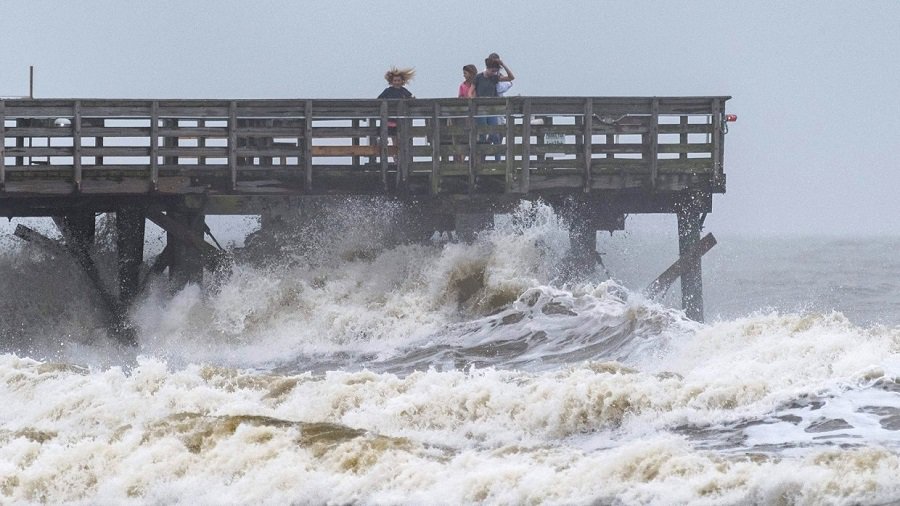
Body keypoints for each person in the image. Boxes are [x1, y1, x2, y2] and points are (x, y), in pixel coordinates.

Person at [469, 57, 515, 147]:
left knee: (495, 134)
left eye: (495, 71)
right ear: (488, 68)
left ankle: (498, 160)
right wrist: (473, 100)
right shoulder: (478, 77)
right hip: (480, 109)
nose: (494, 73)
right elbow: (470, 91)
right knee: (482, 133)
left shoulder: (494, 78)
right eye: (492, 71)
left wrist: (503, 64)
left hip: (492, 110)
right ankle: (482, 158)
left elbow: (511, 77)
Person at [377, 67, 415, 159]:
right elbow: (378, 100)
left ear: (402, 81)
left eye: (398, 80)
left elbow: (411, 99)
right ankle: (392, 154)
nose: (397, 82)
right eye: (395, 80)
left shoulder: (404, 91)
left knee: (399, 140)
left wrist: (413, 100)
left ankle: (397, 157)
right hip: (389, 119)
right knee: (391, 137)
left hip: (400, 120)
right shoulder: (388, 91)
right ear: (391, 81)